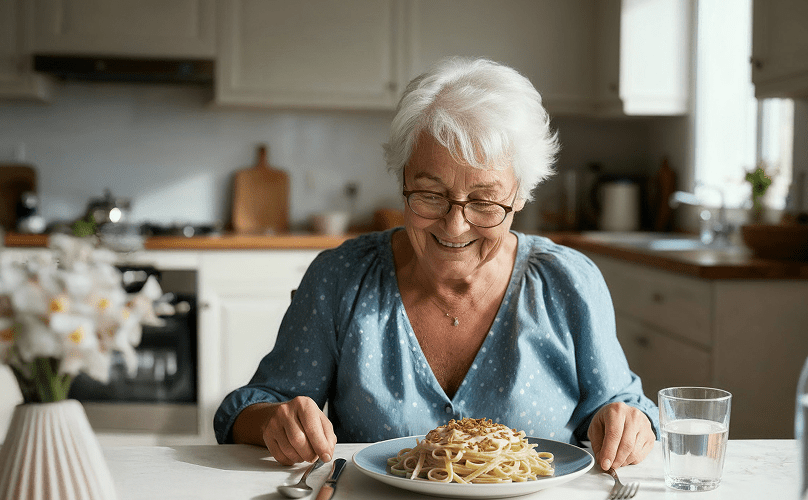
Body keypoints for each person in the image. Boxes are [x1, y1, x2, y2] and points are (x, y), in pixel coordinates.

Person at [214, 57, 658, 473]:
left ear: (520, 195)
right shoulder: (342, 278)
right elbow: (248, 408)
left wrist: (627, 422)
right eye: (430, 194)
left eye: (484, 200)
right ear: (402, 178)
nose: (455, 224)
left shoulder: (568, 283)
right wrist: (276, 419)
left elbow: (622, 406)